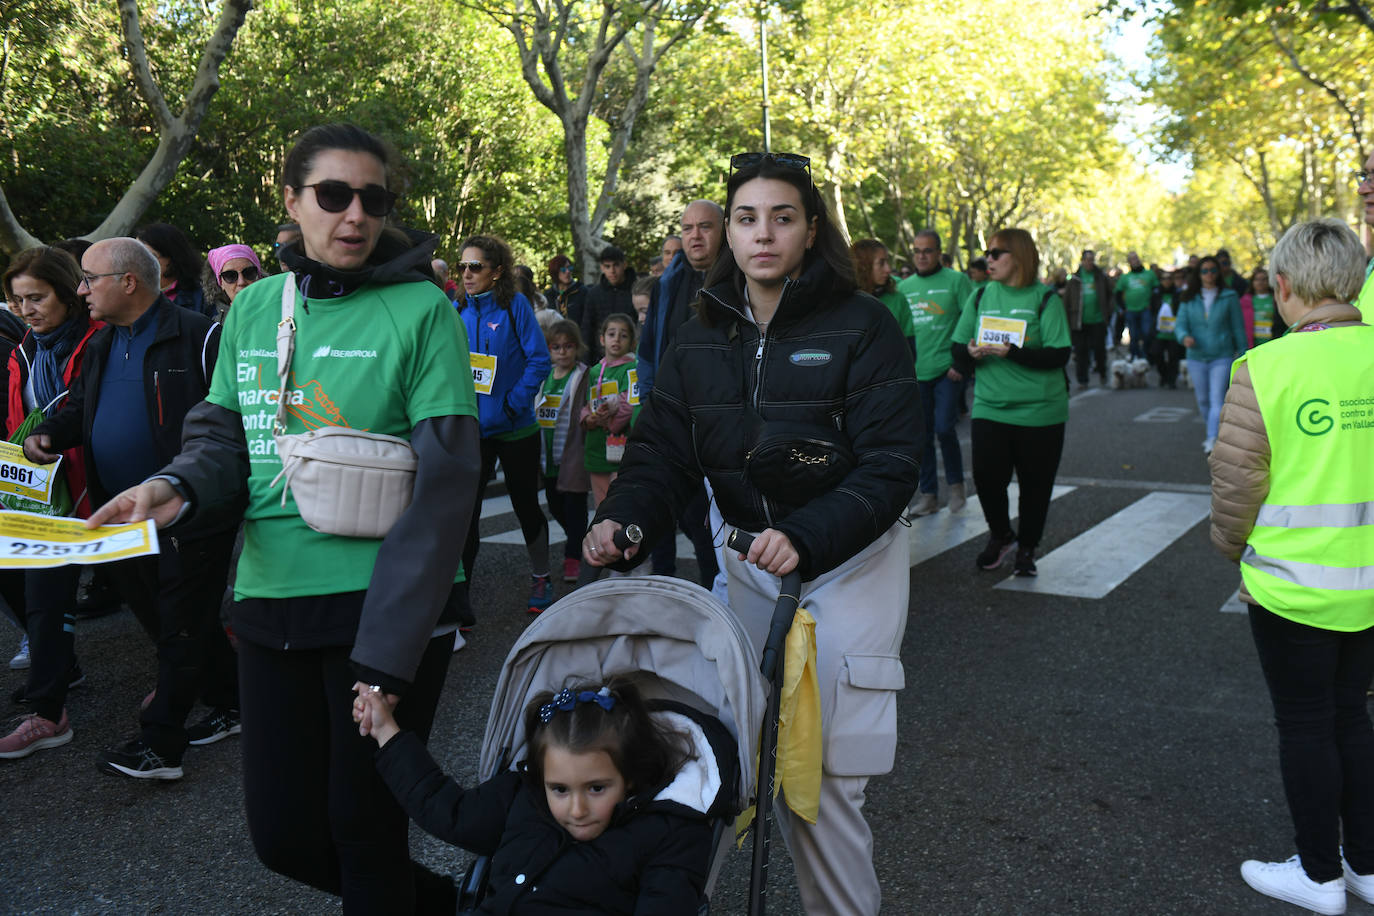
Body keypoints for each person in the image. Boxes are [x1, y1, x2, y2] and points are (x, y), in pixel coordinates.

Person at [84, 124, 481, 912]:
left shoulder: (422, 308)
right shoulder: (257, 305)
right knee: (285, 837)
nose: (355, 215)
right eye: (333, 195)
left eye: (374, 199)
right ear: (293, 200)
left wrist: (393, 654)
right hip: (270, 599)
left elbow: (447, 483)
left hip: (385, 609)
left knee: (364, 828)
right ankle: (458, 905)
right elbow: (221, 435)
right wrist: (175, 488)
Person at [584, 151, 920, 916]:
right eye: (746, 218)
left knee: (822, 783)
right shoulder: (697, 335)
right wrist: (621, 518)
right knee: (706, 756)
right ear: (726, 234)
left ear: (809, 232)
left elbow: (894, 463)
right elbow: (659, 451)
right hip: (745, 565)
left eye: (782, 217)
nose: (762, 233)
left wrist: (807, 534)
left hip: (850, 564)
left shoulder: (864, 326)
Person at [21, 237, 237, 778]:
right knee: (167, 617)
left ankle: (161, 743)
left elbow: (230, 420)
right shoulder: (100, 345)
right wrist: (48, 434)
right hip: (119, 516)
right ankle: (233, 699)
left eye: (89, 278)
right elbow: (80, 408)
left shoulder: (201, 336)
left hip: (190, 511)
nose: (81, 289)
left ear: (128, 282)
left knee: (182, 621)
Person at [1208, 218, 1374, 916]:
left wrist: (1235, 554)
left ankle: (1318, 875)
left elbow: (1235, 487)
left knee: (1304, 725)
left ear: (1281, 287)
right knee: (1355, 723)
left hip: (1291, 588)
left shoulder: (1266, 367)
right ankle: (1366, 865)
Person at [355, 678, 713, 914]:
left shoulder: (668, 832)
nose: (577, 809)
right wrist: (387, 731)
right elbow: (446, 810)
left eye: (596, 788)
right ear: (541, 777)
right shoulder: (521, 796)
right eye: (559, 789)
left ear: (630, 778)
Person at [0, 246, 101, 760]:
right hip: (42, 493)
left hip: (100, 489)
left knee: (155, 600)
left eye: (35, 297)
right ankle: (50, 702)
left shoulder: (99, 340)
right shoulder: (23, 349)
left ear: (66, 291)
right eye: (17, 300)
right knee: (30, 585)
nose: (26, 310)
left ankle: (222, 689)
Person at [951, 228, 1071, 578]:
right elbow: (958, 348)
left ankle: (1028, 548)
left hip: (1041, 411)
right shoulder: (980, 296)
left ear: (1018, 257)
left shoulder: (1045, 299)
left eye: (996, 253)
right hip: (990, 406)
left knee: (1035, 487)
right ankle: (1001, 535)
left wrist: (1013, 352)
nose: (988, 259)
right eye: (987, 253)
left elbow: (1059, 354)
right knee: (987, 479)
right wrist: (969, 354)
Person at [457, 234, 555, 615]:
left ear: (496, 272)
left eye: (475, 266)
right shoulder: (457, 309)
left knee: (526, 505)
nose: (467, 273)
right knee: (467, 513)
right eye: (463, 266)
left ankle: (541, 575)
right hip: (474, 431)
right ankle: (462, 593)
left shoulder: (514, 306)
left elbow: (539, 361)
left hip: (516, 428)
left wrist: (514, 402)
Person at [638, 199, 726, 587]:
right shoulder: (667, 284)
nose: (695, 235)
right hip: (677, 419)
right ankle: (705, 595)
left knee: (722, 520)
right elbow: (647, 349)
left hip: (724, 424)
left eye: (705, 227)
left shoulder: (739, 278)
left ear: (722, 231)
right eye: (688, 228)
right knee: (689, 514)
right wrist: (650, 404)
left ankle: (729, 604)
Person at [894, 230, 971, 517]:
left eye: (927, 251)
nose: (921, 256)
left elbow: (972, 320)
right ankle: (928, 495)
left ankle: (956, 486)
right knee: (922, 435)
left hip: (947, 371)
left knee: (943, 428)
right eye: (917, 251)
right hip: (915, 374)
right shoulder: (904, 287)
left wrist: (961, 364)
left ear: (939, 253)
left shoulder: (957, 280)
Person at [1175, 255, 1245, 455]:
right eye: (1204, 270)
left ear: (1219, 272)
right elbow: (1180, 325)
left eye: (1213, 270)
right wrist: (1184, 337)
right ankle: (1211, 432)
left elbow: (1238, 328)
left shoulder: (1229, 296)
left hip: (1221, 355)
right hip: (1196, 355)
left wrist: (1244, 354)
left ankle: (1212, 438)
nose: (1209, 274)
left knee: (1217, 399)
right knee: (1203, 400)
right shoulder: (1188, 297)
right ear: (1198, 274)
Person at [538, 320, 590, 585]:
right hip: (548, 455)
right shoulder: (544, 377)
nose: (562, 352)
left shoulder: (583, 375)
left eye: (568, 346)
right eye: (556, 347)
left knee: (575, 507)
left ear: (577, 347)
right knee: (555, 504)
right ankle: (581, 541)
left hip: (574, 453)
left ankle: (573, 557)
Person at [580, 313, 639, 507]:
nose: (616, 339)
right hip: (596, 448)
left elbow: (629, 403)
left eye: (623, 335)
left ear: (632, 342)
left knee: (620, 506)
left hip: (620, 448)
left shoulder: (633, 368)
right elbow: (587, 402)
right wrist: (587, 418)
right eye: (612, 334)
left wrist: (610, 423)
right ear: (602, 339)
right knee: (601, 507)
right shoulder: (595, 371)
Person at [851, 238, 915, 356]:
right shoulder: (845, 301)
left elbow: (910, 345)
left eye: (887, 262)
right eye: (881, 263)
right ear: (863, 266)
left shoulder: (897, 299)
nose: (888, 269)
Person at [1063, 248, 1114, 389]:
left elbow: (1111, 295)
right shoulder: (1074, 278)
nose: (1090, 262)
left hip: (1098, 320)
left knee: (1099, 350)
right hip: (1079, 322)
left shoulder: (1101, 276)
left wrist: (1108, 312)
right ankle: (1082, 379)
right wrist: (1066, 319)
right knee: (1081, 352)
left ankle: (1103, 373)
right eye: (1087, 259)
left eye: (1092, 260)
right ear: (1082, 261)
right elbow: (1066, 300)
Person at [136, 222, 209, 317]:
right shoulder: (126, 292)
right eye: (135, 255)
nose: (138, 262)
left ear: (173, 258)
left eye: (148, 256)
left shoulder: (202, 297)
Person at [581, 245, 635, 362]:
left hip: (631, 356)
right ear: (602, 268)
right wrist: (586, 361)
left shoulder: (636, 291)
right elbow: (587, 329)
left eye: (616, 265)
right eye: (607, 266)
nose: (612, 271)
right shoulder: (594, 294)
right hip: (600, 358)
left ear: (624, 265)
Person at [1113, 251, 1159, 361]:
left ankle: (1145, 356)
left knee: (1147, 333)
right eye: (1132, 259)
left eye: (1136, 258)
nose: (1135, 261)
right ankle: (1135, 357)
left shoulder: (1150, 274)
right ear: (1129, 262)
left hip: (1145, 309)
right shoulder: (1125, 277)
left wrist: (1152, 305)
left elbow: (1156, 290)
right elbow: (1117, 294)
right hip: (1131, 311)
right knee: (1133, 336)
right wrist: (1123, 308)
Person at [201, 243, 263, 321]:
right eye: (230, 275)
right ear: (220, 283)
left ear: (258, 276)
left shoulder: (280, 311)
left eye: (249, 273)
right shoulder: (216, 327)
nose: (241, 282)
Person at [1151, 269, 1185, 389]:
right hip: (1159, 331)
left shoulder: (1178, 294)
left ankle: (1172, 380)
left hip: (1174, 331)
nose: (1167, 281)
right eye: (1164, 279)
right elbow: (1152, 310)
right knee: (1157, 354)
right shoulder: (1156, 293)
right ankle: (1163, 375)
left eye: (1169, 279)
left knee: (1173, 356)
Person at [1241, 265, 1285, 348]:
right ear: (1252, 282)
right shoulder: (1244, 301)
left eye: (1264, 279)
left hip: (1273, 343)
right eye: (1257, 279)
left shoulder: (1277, 299)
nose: (1260, 282)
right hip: (1252, 345)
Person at [543, 254, 587, 327]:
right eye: (563, 269)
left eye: (569, 268)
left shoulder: (582, 291)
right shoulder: (549, 295)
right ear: (555, 272)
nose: (567, 272)